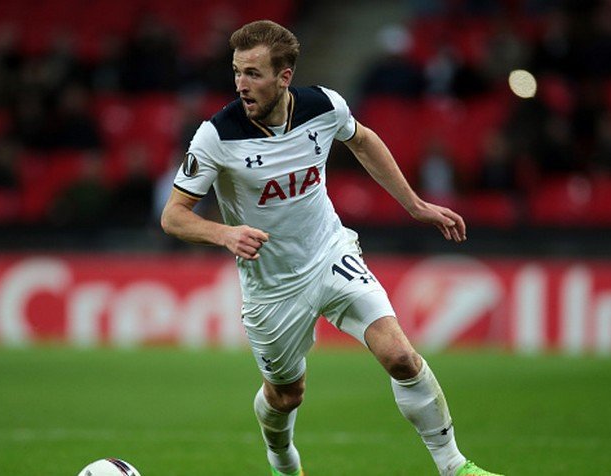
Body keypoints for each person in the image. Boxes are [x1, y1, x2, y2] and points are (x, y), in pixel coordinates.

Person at [161, 20, 503, 476]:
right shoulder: (217, 136)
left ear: (284, 77)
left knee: (400, 356)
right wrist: (224, 234)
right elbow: (173, 215)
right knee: (286, 395)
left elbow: (362, 139)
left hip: (329, 254)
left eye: (254, 73)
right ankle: (283, 462)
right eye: (237, 72)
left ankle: (454, 467)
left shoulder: (324, 106)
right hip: (272, 286)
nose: (241, 84)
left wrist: (415, 205)